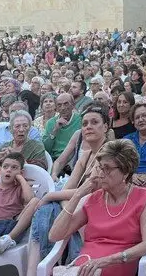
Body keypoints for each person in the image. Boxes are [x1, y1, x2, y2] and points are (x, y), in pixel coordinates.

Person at [48, 139, 146, 276]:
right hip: (85, 268)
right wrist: (78, 195)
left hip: (117, 265)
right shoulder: (94, 199)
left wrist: (106, 260)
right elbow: (54, 235)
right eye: (99, 167)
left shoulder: (142, 197)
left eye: (107, 168)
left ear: (126, 172)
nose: (100, 173)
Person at [26, 105, 111, 276]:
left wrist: (51, 196)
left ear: (106, 127)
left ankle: (46, 265)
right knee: (45, 210)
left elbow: (93, 191)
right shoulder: (86, 155)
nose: (88, 126)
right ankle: (38, 269)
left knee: (51, 208)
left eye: (95, 122)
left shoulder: (109, 153)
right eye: (85, 123)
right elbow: (68, 189)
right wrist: (64, 202)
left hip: (103, 206)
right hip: (79, 202)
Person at [0, 110, 47, 183]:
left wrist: (17, 156)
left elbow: (39, 176)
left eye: (25, 126)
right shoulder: (3, 147)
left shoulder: (37, 147)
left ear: (29, 129)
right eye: (17, 126)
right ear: (11, 129)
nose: (21, 129)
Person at [43, 93, 82, 160]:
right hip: (55, 159)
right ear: (56, 108)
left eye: (66, 104)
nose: (63, 108)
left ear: (73, 105)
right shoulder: (51, 123)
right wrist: (55, 130)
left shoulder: (80, 119)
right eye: (59, 105)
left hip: (75, 159)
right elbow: (46, 149)